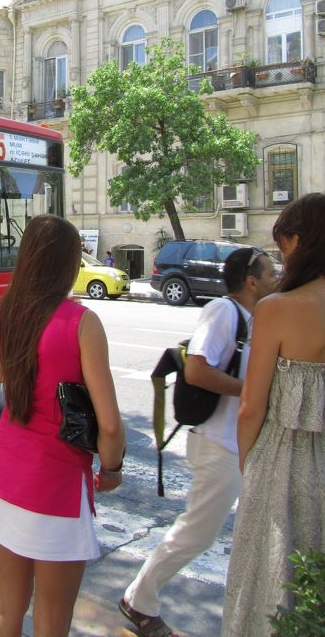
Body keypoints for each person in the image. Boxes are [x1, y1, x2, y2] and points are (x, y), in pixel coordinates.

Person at [120, 246, 278, 637]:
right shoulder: (224, 312)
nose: (277, 279)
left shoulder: (255, 318)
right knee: (197, 532)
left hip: (236, 445)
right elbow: (198, 369)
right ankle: (138, 601)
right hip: (216, 444)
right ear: (252, 282)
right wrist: (251, 390)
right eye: (271, 273)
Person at [0, 214, 125, 637]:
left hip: (7, 478)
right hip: (58, 486)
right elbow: (112, 426)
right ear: (68, 265)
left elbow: (1, 374)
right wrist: (112, 470)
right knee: (51, 622)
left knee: (5, 611)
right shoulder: (81, 323)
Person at [222, 194, 325, 637]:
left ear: (299, 241)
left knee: (269, 583)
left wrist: (249, 461)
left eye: (283, 244)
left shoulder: (278, 309)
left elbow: (251, 407)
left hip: (283, 463)